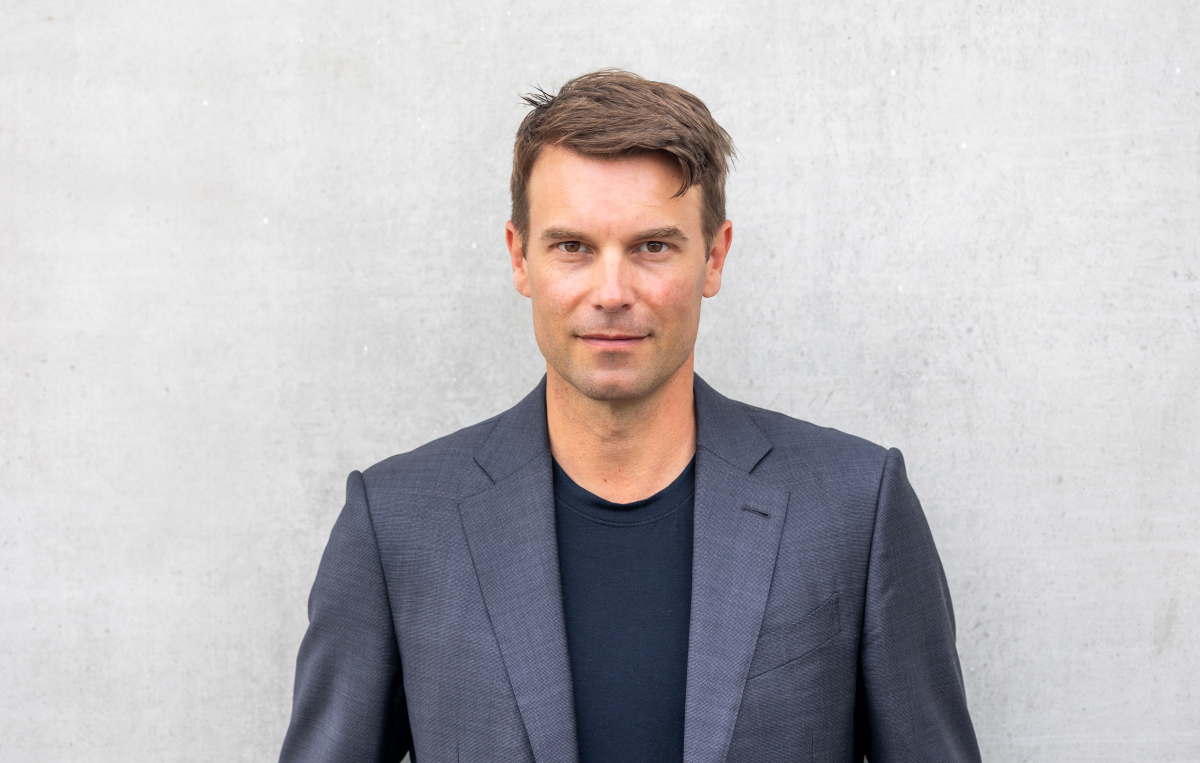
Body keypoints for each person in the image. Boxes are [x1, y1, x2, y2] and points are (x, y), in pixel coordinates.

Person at [279, 69, 981, 763]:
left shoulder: (856, 508)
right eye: (573, 247)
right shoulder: (397, 524)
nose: (611, 292)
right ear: (520, 258)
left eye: (652, 246)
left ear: (714, 257)